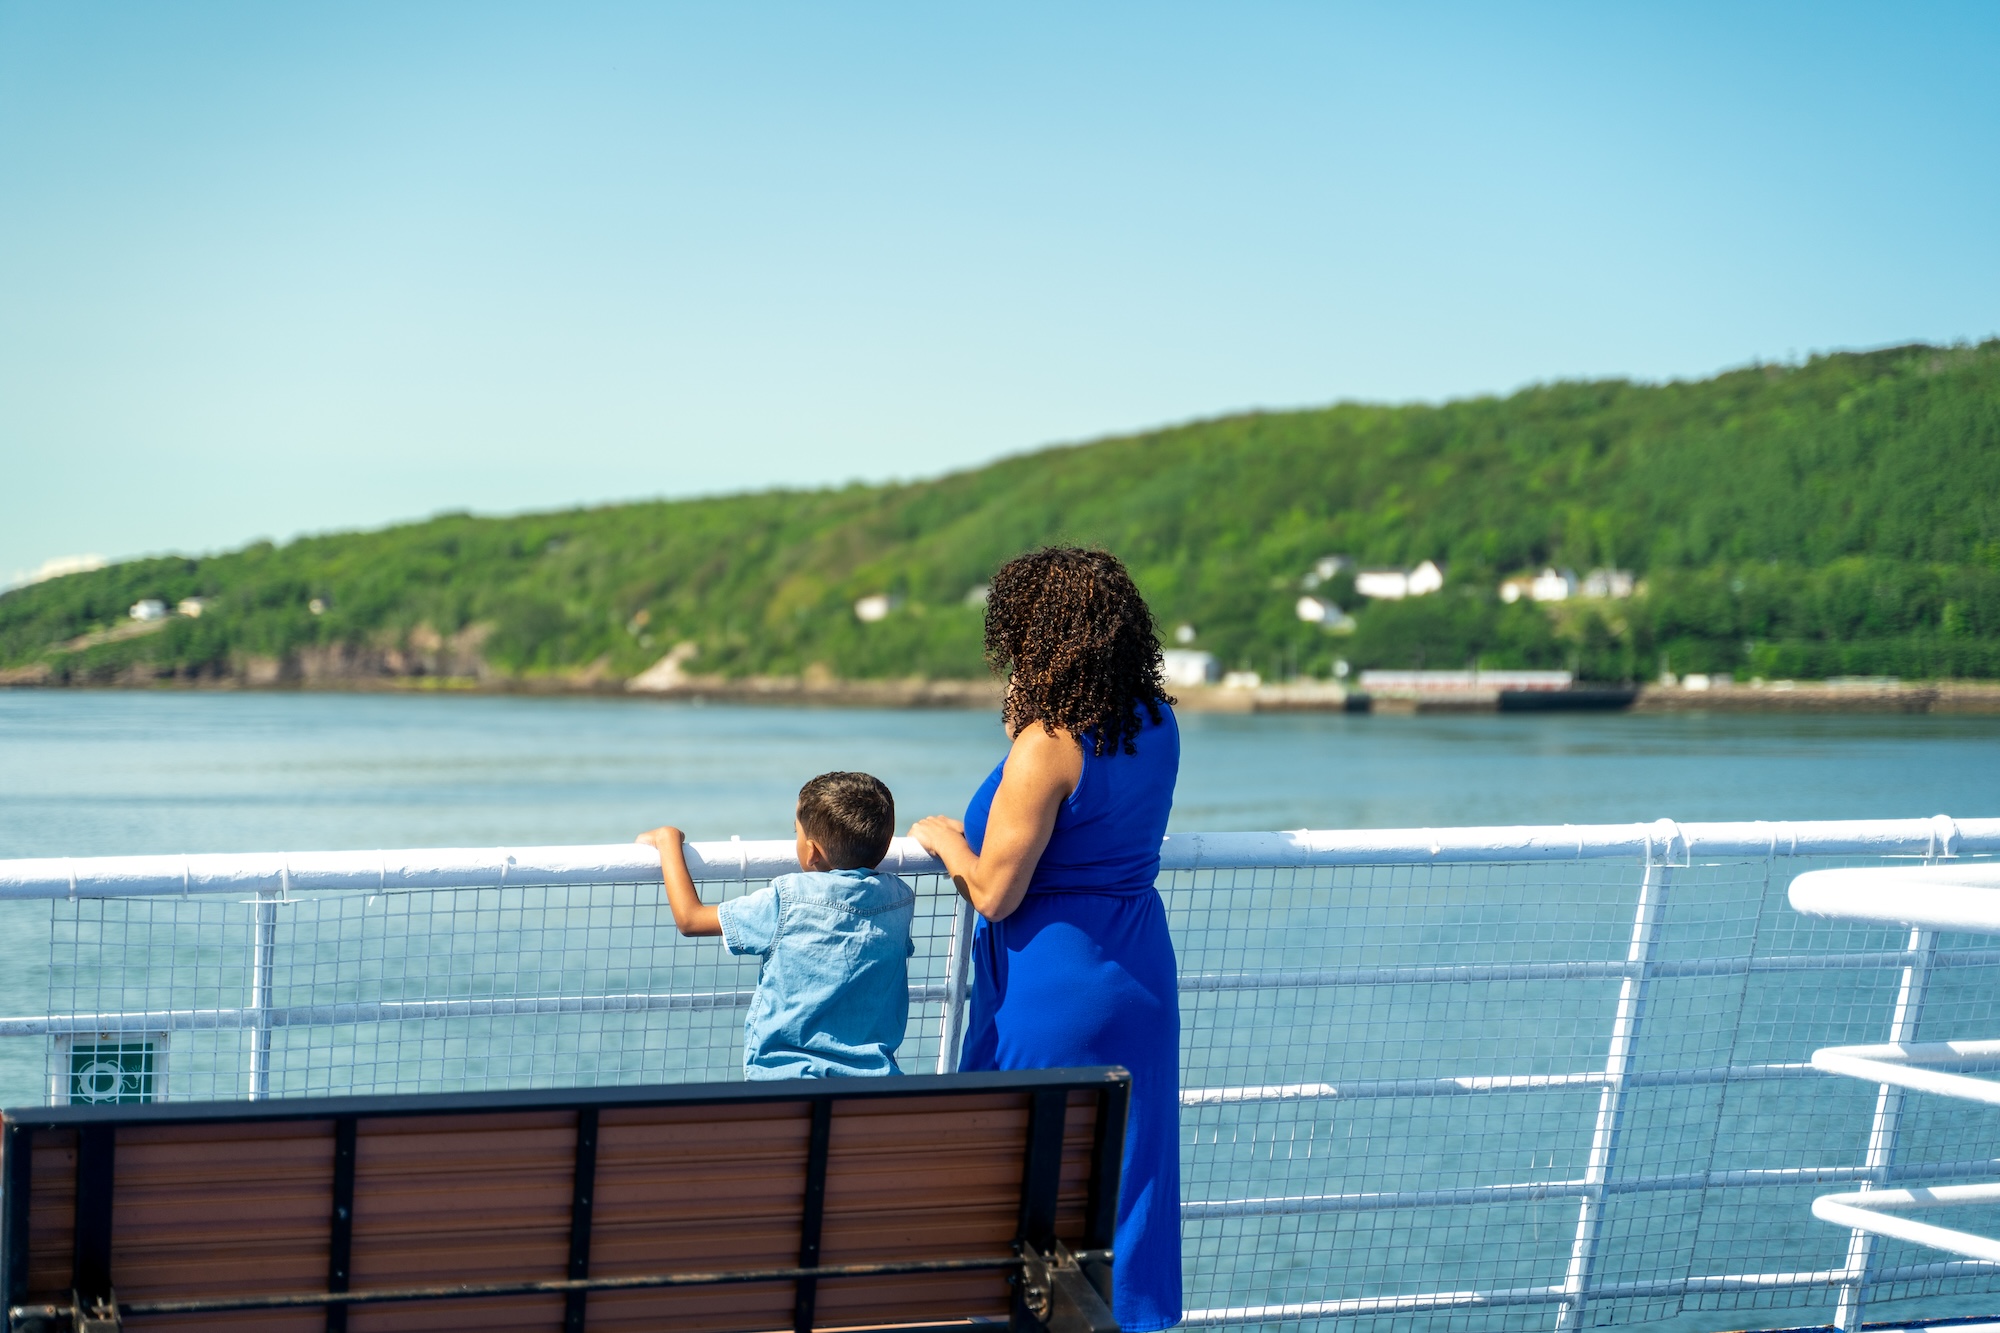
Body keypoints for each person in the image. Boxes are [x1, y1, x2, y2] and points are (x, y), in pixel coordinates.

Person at [910, 547, 1183, 1332]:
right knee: (1125, 1171)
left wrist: (945, 841)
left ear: (1035, 634)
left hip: (1050, 980)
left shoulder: (1047, 742)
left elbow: (995, 891)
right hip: (1135, 967)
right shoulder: (1156, 721)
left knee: (1017, 1172)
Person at [638, 771, 916, 1079]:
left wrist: (668, 843)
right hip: (876, 1087)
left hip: (783, 1082)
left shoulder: (787, 900)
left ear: (811, 851)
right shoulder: (900, 900)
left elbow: (690, 919)